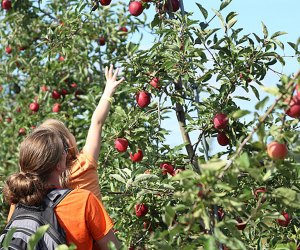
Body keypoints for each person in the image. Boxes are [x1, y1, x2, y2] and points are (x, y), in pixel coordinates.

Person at [7, 64, 124, 220]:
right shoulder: (84, 166)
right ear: (68, 142)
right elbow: (96, 122)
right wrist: (108, 91)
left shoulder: (26, 190)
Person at [3, 128, 121, 250]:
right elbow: (113, 247)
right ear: (58, 164)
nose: (66, 153)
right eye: (64, 150)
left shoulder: (18, 201)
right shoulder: (83, 201)